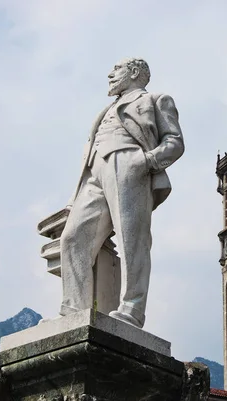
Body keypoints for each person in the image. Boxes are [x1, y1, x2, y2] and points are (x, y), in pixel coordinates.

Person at [59, 58, 184, 328]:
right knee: (73, 237)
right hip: (94, 172)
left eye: (116, 69)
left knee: (132, 238)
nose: (110, 74)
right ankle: (73, 309)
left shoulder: (155, 99)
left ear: (135, 72)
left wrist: (147, 161)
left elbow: (174, 142)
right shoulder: (105, 110)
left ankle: (132, 308)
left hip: (128, 163)